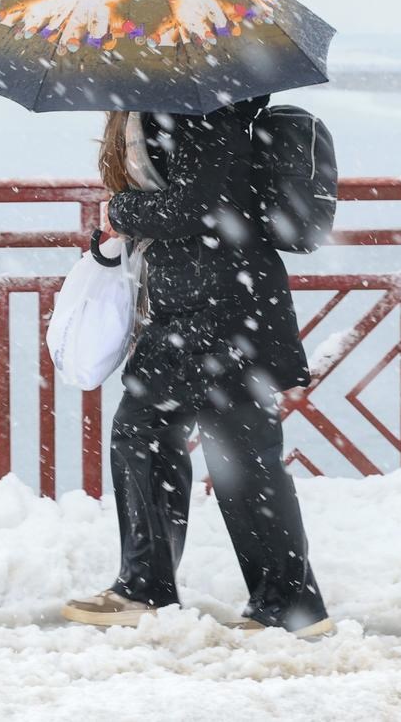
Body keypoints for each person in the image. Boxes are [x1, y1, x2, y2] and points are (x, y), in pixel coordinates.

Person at [59, 97, 332, 637]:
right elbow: (196, 201)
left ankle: (279, 603)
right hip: (200, 307)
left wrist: (122, 212)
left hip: (222, 311)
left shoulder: (198, 109)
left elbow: (199, 205)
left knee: (220, 453)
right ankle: (159, 588)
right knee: (167, 440)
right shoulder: (181, 104)